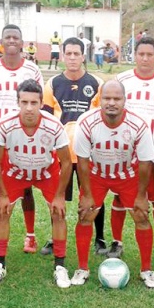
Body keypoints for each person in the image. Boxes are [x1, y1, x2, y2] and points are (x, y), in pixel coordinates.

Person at [71, 80, 154, 288]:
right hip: (96, 174)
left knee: (141, 215)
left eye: (117, 99)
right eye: (107, 98)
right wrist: (86, 194)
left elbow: (146, 161)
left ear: (124, 100)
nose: (112, 103)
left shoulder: (139, 124)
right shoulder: (85, 122)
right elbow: (82, 160)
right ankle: (82, 268)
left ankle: (146, 269)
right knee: (86, 214)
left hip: (128, 174)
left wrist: (140, 195)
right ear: (99, 100)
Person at [0, 79, 73, 287]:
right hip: (15, 171)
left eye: (33, 103)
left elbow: (67, 162)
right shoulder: (4, 125)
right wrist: (2, 194)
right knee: (2, 212)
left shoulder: (53, 126)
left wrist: (60, 195)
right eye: (24, 102)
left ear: (41, 103)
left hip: (46, 172)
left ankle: (60, 266)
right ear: (17, 102)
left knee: (58, 212)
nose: (28, 108)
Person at [111, 36, 154, 261]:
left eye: (150, 55)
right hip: (127, 153)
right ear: (135, 56)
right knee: (120, 197)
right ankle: (117, 242)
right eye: (141, 54)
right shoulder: (122, 79)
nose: (145, 58)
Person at [40, 37, 107, 256]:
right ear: (62, 54)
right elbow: (47, 119)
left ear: (83, 55)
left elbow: (102, 118)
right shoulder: (53, 84)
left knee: (93, 195)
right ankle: (54, 237)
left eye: (76, 53)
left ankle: (100, 238)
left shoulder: (96, 83)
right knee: (56, 196)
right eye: (68, 53)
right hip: (62, 153)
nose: (72, 58)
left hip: (89, 153)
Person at [0, 24, 44, 252]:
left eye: (15, 38)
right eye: (7, 37)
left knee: (26, 187)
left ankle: (30, 236)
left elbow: (38, 101)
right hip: (1, 136)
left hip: (26, 135)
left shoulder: (32, 69)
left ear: (21, 42)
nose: (11, 41)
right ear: (1, 41)